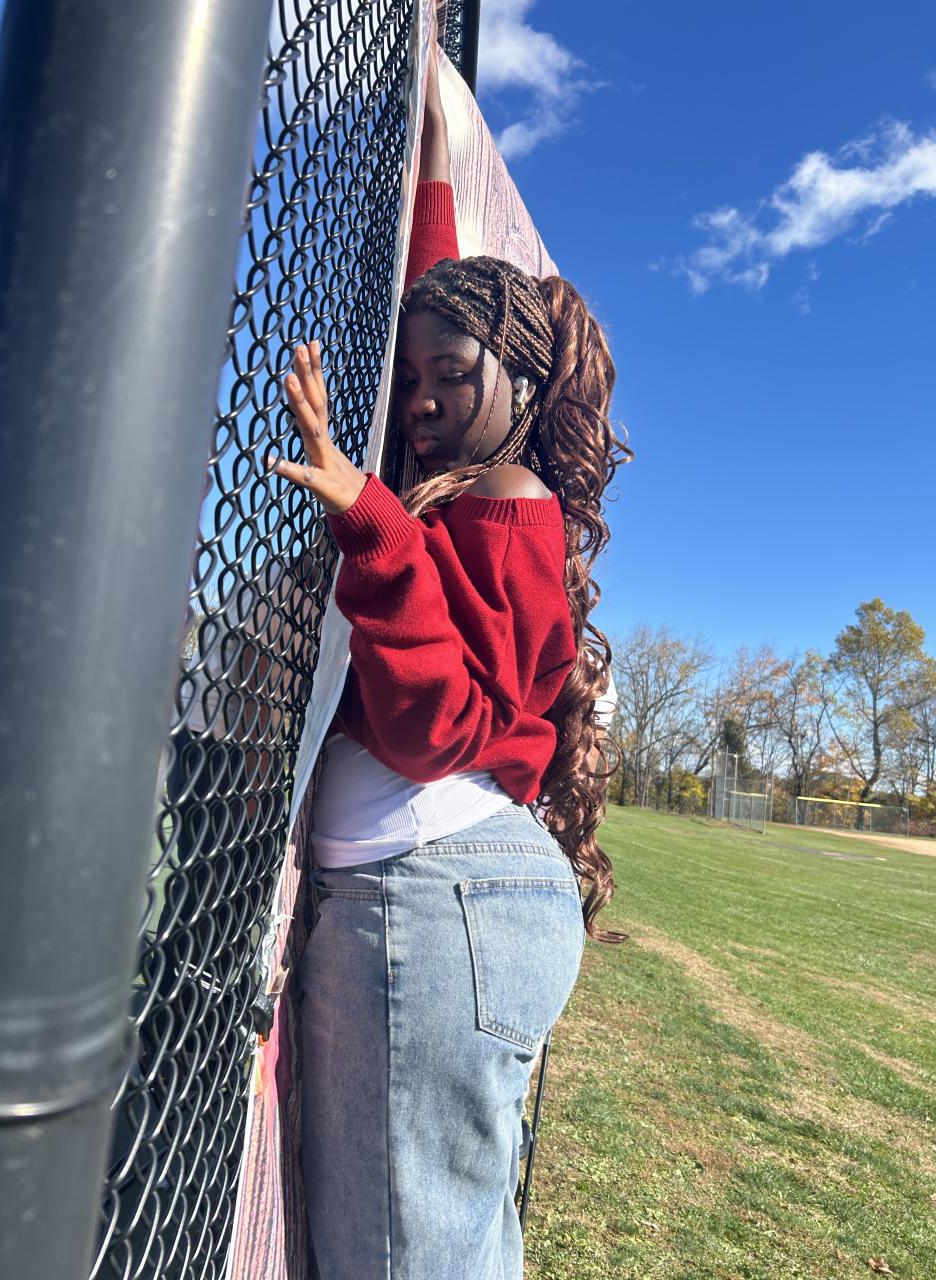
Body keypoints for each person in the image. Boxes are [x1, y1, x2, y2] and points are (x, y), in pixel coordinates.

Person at [267, 27, 631, 1280]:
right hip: (435, 903)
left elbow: (440, 722)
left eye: (448, 377)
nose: (415, 398)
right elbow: (440, 298)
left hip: (437, 904)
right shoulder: (464, 473)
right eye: (406, 374)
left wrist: (370, 518)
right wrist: (428, 142)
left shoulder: (511, 504)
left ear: (517, 380)